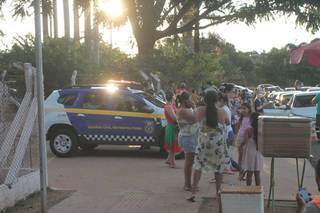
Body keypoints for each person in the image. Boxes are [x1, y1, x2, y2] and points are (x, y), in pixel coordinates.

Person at [188, 90, 230, 202]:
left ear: (204, 99)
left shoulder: (199, 110)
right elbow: (228, 122)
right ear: (217, 99)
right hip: (218, 144)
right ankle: (218, 193)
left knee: (198, 167)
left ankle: (193, 193)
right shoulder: (222, 111)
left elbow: (194, 123)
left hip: (204, 143)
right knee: (218, 169)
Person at [176, 91, 199, 191]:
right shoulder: (183, 110)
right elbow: (196, 119)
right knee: (189, 162)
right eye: (190, 99)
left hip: (189, 136)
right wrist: (194, 107)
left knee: (190, 161)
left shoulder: (186, 109)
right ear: (185, 101)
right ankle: (187, 184)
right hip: (187, 137)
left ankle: (188, 183)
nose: (192, 101)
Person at [241, 112, 263, 186]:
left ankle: (249, 190)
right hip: (259, 153)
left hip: (250, 153)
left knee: (249, 174)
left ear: (251, 120)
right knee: (257, 174)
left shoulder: (249, 130)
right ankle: (258, 191)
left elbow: (244, 142)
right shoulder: (262, 130)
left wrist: (240, 145)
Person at [163, 91, 180, 168]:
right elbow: (174, 118)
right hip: (172, 126)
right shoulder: (169, 106)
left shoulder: (171, 105)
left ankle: (169, 159)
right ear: (172, 97)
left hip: (171, 126)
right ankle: (172, 162)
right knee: (173, 144)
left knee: (173, 143)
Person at [236, 103, 252, 180]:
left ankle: (243, 172)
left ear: (249, 109)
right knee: (240, 156)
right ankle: (240, 173)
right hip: (240, 137)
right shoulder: (241, 117)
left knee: (246, 157)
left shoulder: (252, 118)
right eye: (242, 108)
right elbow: (238, 127)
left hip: (248, 139)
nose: (243, 110)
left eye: (245, 108)